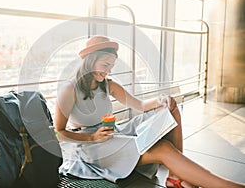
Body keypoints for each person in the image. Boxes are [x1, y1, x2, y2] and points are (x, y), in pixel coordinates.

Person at [54, 35, 245, 188]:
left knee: (169, 109)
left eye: (111, 66)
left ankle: (175, 176)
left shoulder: (109, 85)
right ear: (90, 61)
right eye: (105, 65)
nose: (108, 71)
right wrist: (93, 137)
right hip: (91, 146)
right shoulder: (69, 89)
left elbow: (140, 105)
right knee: (163, 148)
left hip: (112, 134)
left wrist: (161, 99)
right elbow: (58, 132)